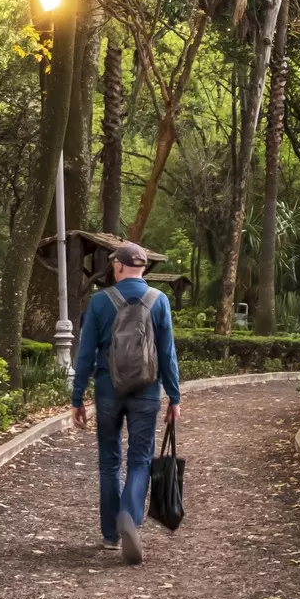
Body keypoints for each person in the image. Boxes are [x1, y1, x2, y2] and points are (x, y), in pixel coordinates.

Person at [70, 241, 181, 564]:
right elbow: (167, 353)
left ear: (118, 267)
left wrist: (78, 397)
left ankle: (109, 534)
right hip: (147, 391)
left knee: (109, 461)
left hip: (108, 389)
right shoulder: (159, 301)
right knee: (140, 459)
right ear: (143, 268)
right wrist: (174, 397)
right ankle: (129, 518)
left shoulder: (100, 301)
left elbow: (86, 351)